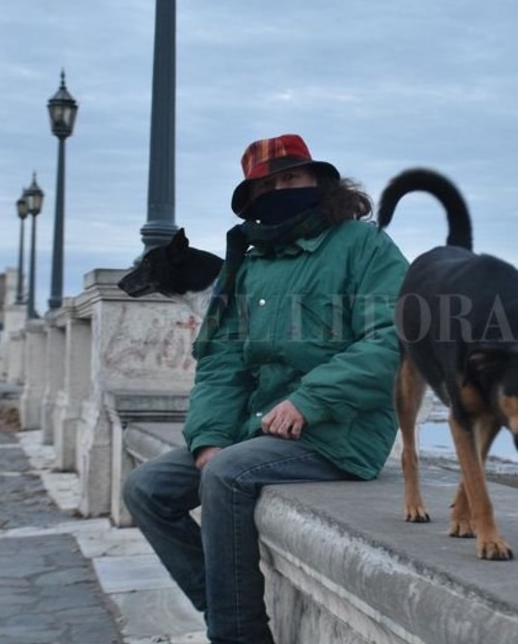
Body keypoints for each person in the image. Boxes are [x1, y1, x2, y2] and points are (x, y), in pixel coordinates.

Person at [122, 134, 408, 644]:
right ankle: (226, 610)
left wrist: (309, 400)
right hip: (258, 426)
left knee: (228, 475)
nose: (281, 188)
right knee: (147, 489)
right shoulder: (251, 262)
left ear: (319, 183)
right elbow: (221, 358)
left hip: (338, 431)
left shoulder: (364, 245)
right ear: (253, 197)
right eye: (268, 184)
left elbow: (394, 338)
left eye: (292, 178)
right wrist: (209, 436)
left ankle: (238, 635)